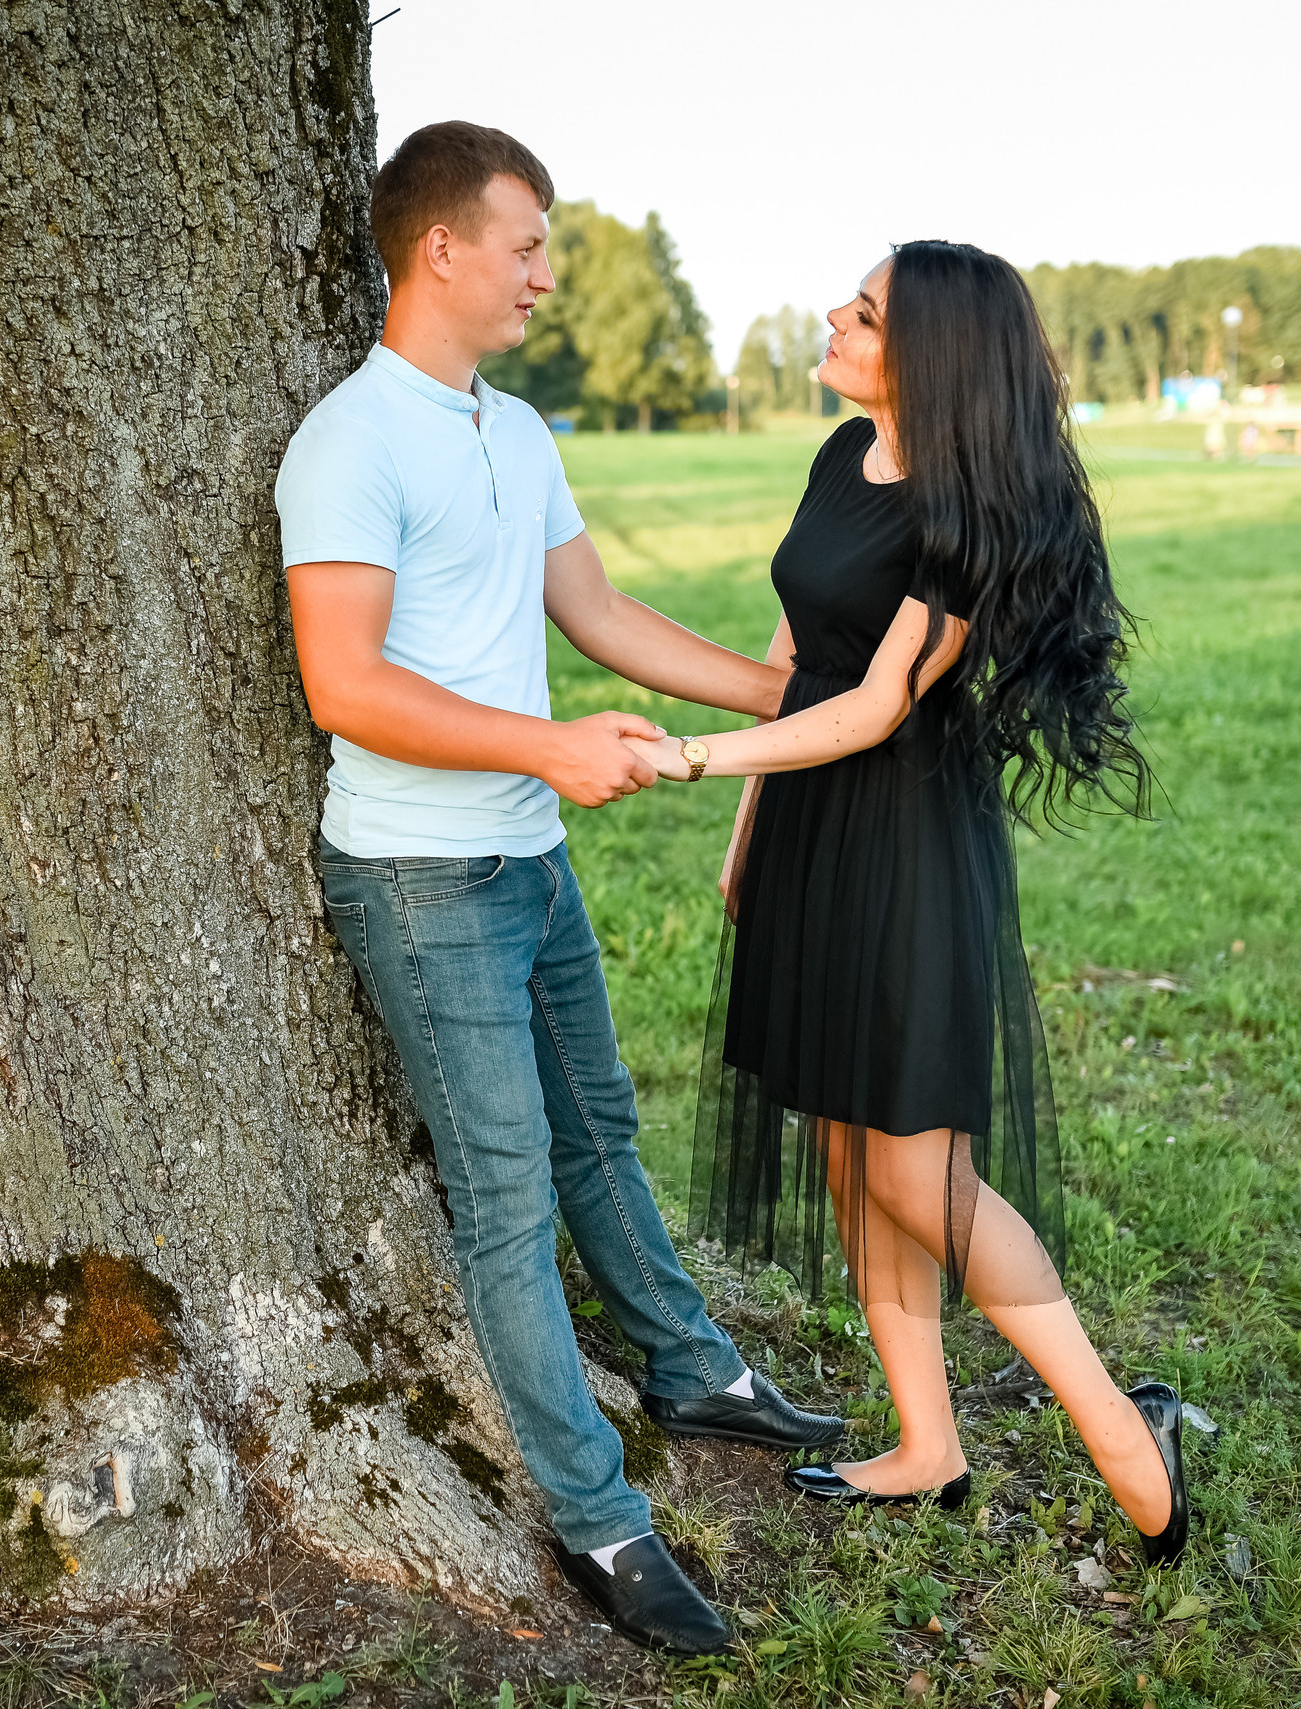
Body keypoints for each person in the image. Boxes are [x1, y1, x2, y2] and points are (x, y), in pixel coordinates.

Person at [276, 121, 842, 1656]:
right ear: (440, 248)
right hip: (420, 873)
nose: (544, 272)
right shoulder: (348, 441)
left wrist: (772, 698)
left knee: (599, 1126)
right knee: (510, 1195)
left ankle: (690, 1365)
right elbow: (344, 684)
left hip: (528, 852)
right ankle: (601, 1520)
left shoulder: (512, 431)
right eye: (525, 243)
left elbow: (589, 610)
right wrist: (546, 746)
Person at [627, 242, 1194, 1564]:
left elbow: (876, 705)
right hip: (811, 823)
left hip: (905, 841)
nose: (834, 312)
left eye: (865, 310)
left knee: (917, 1169)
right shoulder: (838, 456)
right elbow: (794, 663)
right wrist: (750, 825)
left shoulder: (963, 509)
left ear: (926, 353)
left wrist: (690, 757)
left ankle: (1119, 1422)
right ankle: (926, 1441)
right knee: (843, 1140)